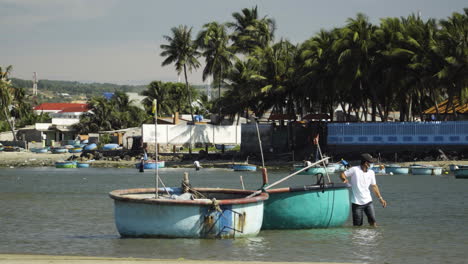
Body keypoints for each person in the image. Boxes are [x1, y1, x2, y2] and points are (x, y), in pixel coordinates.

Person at [340, 153, 387, 227]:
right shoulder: (354, 170)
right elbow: (342, 174)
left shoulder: (371, 172)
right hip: (357, 204)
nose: (372, 164)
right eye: (371, 162)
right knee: (357, 227)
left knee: (373, 223)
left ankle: (373, 237)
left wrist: (380, 198)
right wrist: (344, 179)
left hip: (368, 202)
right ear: (366, 163)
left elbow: (374, 186)